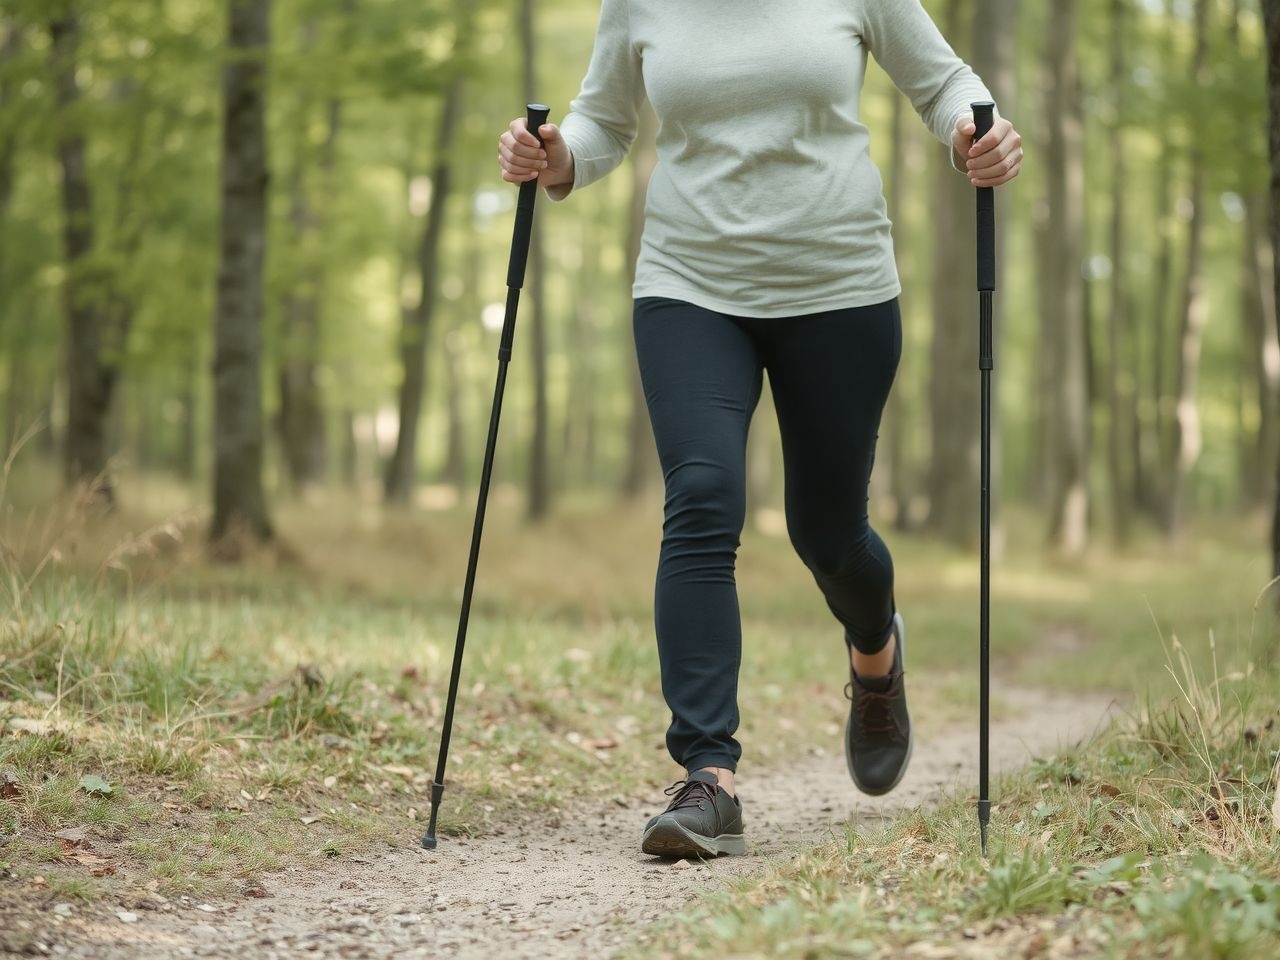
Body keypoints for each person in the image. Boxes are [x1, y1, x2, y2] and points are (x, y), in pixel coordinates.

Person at [496, 0, 1022, 859]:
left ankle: (876, 657)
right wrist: (557, 154)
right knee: (702, 496)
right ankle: (709, 776)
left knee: (829, 533)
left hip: (841, 286)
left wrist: (978, 132)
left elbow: (946, 85)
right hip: (688, 282)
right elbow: (602, 120)